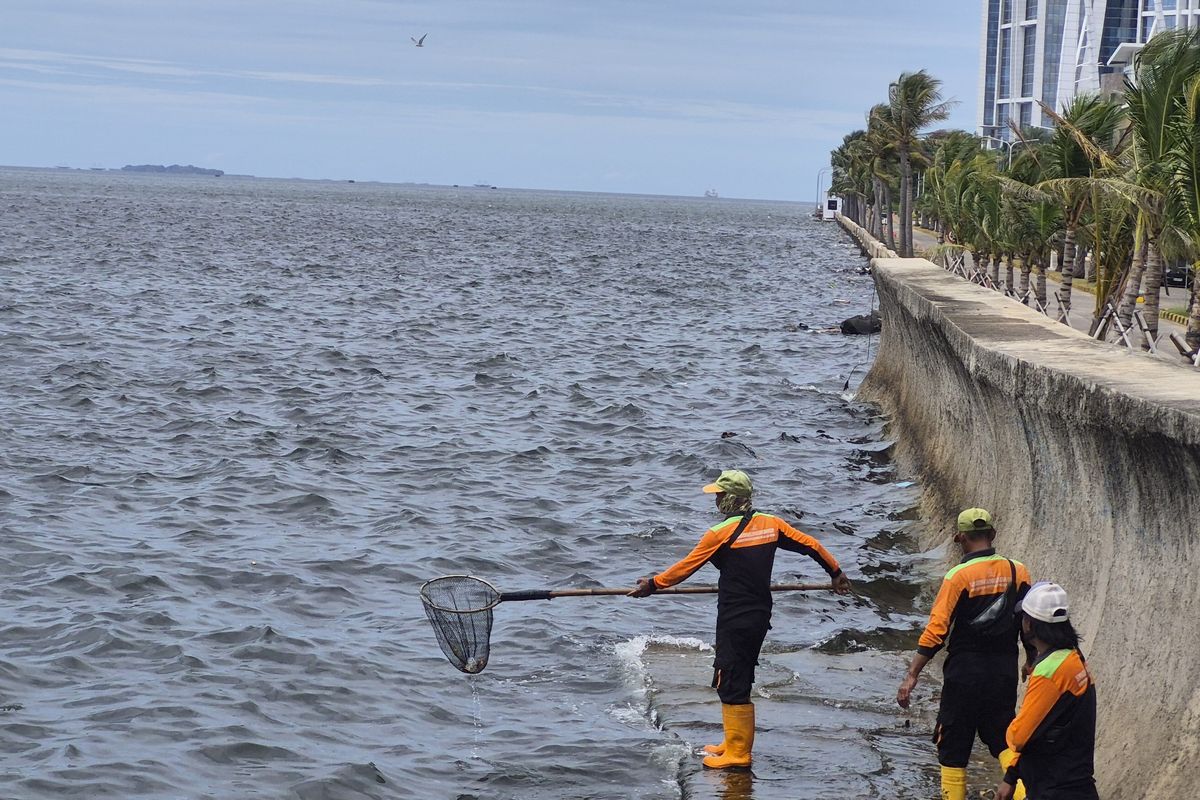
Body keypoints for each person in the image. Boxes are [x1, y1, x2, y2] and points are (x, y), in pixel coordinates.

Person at [628, 469, 852, 770]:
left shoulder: (718, 534)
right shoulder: (772, 524)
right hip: (759, 613)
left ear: (731, 499)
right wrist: (836, 572)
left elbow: (685, 568)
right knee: (735, 675)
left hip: (735, 616)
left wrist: (652, 585)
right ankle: (732, 742)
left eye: (719, 495)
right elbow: (812, 546)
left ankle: (739, 753)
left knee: (731, 678)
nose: (716, 500)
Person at [895, 508, 1032, 800]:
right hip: (1004, 672)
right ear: (992, 534)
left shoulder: (958, 576)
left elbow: (937, 631)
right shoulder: (1017, 570)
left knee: (953, 747)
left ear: (959, 538)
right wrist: (1031, 659)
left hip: (964, 675)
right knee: (1003, 737)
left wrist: (912, 674)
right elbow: (1027, 621)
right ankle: (1024, 795)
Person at [995, 582, 1097, 800]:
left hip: (1055, 788)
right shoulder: (1073, 657)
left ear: (1029, 624)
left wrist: (1010, 729)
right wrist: (1011, 777)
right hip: (1074, 783)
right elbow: (1043, 729)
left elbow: (1020, 737)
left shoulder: (1049, 672)